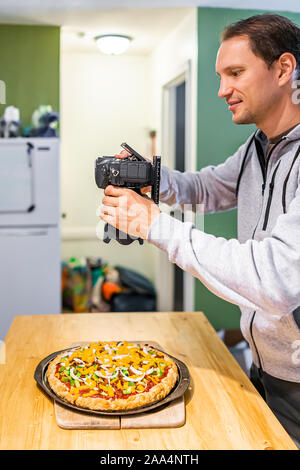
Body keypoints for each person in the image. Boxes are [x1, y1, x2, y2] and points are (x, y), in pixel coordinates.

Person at [100, 13, 300, 446]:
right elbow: (208, 187)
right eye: (220, 75)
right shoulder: (258, 145)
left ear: (284, 69)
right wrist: (152, 179)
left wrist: (153, 224)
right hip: (264, 367)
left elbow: (274, 281)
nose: (222, 89)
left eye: (235, 73)